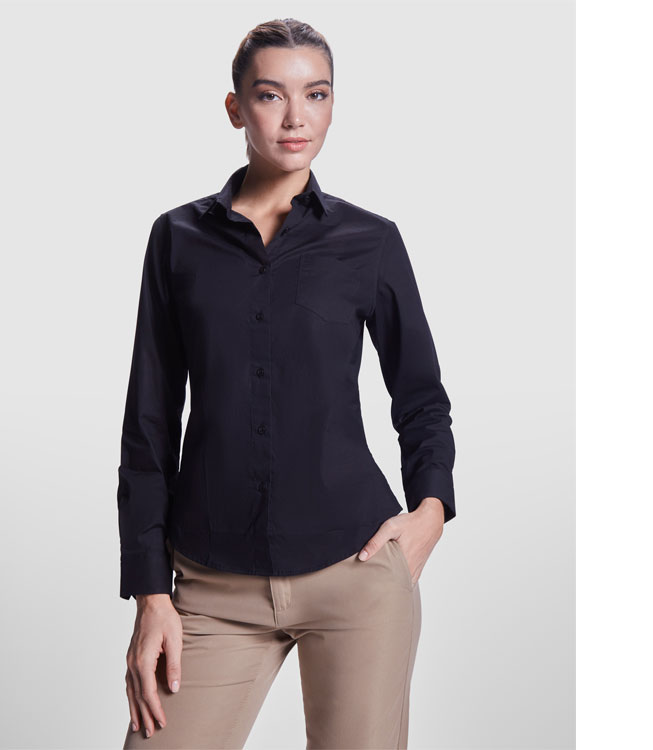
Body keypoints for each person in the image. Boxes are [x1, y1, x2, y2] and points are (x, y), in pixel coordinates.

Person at [117, 18, 456, 749]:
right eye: (271, 95)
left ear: (333, 105)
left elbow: (421, 397)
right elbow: (149, 423)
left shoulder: (370, 241)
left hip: (354, 571)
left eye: (317, 94)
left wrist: (431, 509)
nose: (296, 117)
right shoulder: (177, 240)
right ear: (236, 108)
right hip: (212, 584)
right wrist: (149, 593)